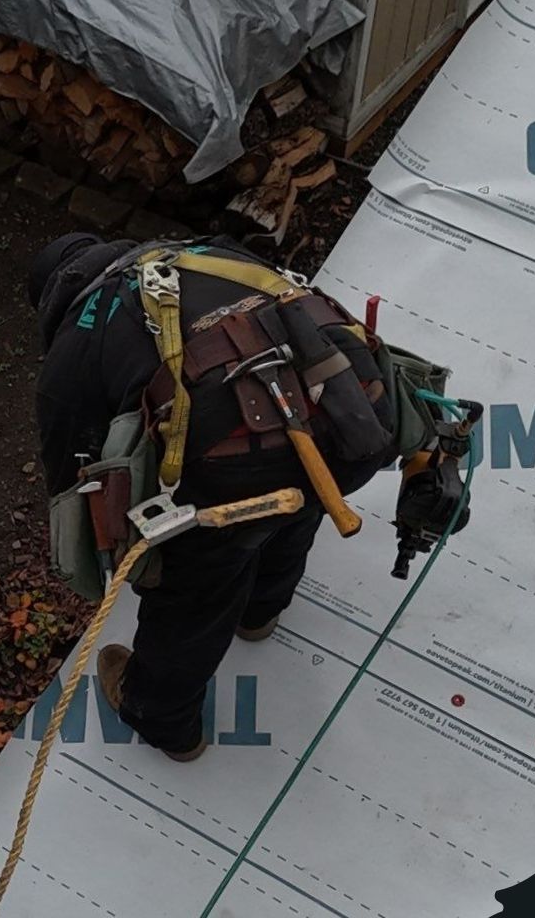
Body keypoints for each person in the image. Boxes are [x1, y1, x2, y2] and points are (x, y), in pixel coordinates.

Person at [28, 233, 396, 761]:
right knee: (298, 497)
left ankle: (162, 716)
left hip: (234, 469)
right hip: (356, 418)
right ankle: (261, 609)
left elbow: (70, 477)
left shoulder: (77, 345)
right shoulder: (211, 254)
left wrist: (109, 548)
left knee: (198, 585)